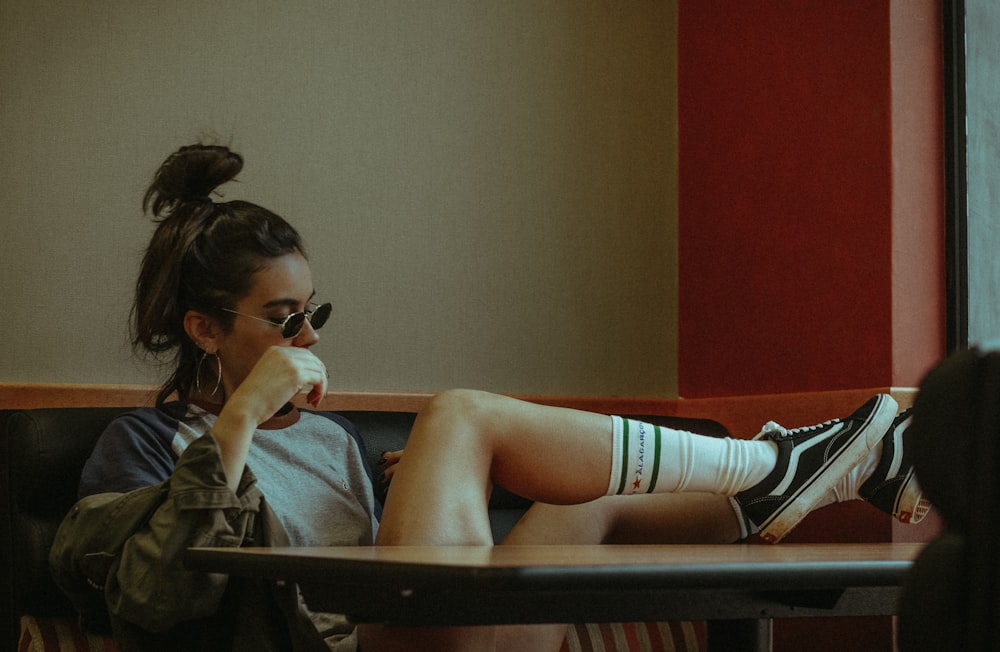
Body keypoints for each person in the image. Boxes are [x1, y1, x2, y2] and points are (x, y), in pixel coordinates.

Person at [51, 144, 929, 652]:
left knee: (580, 509)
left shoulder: (330, 442)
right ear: (204, 330)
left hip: (435, 634)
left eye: (312, 313)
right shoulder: (139, 444)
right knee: (458, 414)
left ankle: (827, 480)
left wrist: (418, 497)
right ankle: (776, 463)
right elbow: (157, 602)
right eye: (282, 320)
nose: (308, 340)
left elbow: (382, 569)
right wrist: (236, 420)